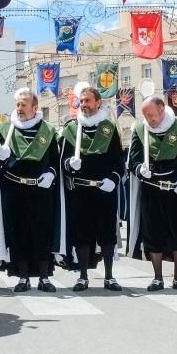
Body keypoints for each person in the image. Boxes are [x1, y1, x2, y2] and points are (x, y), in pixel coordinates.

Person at [128, 96, 177, 291]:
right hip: (152, 191)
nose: (148, 118)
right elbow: (134, 159)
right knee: (153, 235)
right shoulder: (140, 130)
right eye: (145, 114)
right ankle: (157, 277)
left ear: (161, 110)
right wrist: (139, 170)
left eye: (151, 114)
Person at [0, 88, 61, 293]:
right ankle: (22, 277)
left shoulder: (47, 130)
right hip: (14, 190)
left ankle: (44, 277)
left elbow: (54, 160)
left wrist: (50, 173)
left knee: (42, 233)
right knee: (18, 234)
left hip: (41, 191)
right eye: (17, 104)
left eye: (24, 104)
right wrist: (1, 157)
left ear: (35, 107)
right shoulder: (6, 129)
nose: (20, 108)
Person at [59, 86, 125, 292]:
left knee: (106, 235)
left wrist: (113, 179)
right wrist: (70, 164)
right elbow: (62, 160)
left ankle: (109, 276)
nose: (84, 104)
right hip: (80, 191)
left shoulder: (109, 128)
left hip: (104, 191)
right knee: (82, 235)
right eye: (82, 101)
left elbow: (118, 161)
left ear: (98, 103)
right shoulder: (72, 128)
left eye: (88, 101)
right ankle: (83, 276)